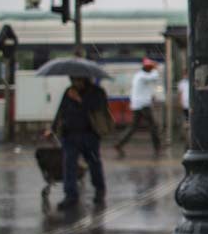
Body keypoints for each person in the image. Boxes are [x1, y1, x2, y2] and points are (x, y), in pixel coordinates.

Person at [47, 75, 113, 210]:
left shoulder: (97, 92)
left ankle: (99, 189)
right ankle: (70, 195)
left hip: (89, 134)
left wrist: (79, 100)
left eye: (78, 80)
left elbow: (99, 109)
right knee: (69, 164)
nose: (75, 83)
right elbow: (61, 111)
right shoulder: (68, 92)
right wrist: (52, 129)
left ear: (85, 79)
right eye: (73, 80)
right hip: (70, 135)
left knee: (94, 163)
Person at [115, 58, 161, 158]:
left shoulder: (139, 75)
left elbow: (147, 87)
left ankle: (120, 143)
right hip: (143, 105)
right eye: (150, 68)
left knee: (134, 127)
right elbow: (154, 77)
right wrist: (156, 68)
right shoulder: (143, 76)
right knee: (152, 126)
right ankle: (157, 147)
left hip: (137, 105)